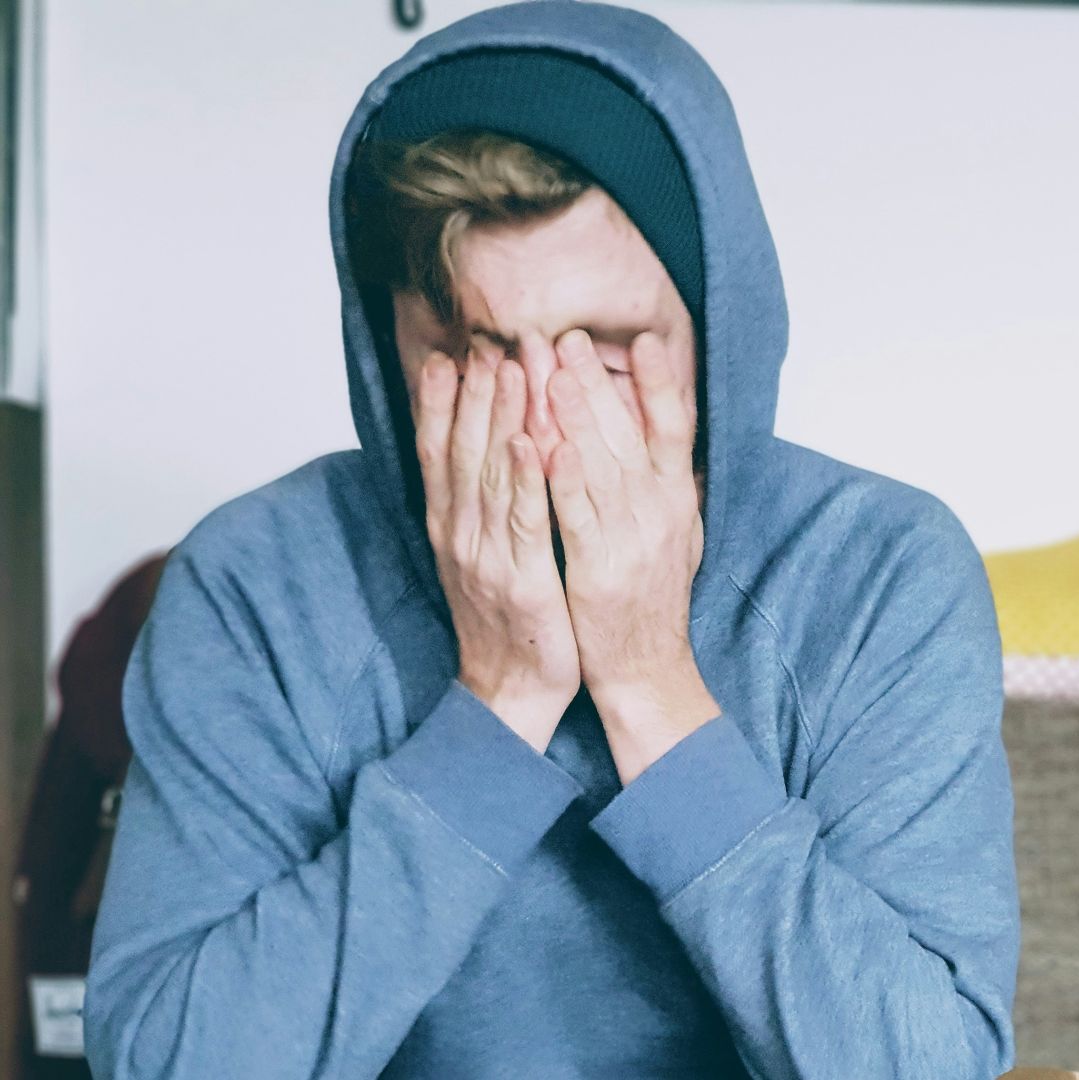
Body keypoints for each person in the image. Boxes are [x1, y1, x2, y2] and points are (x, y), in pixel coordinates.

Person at [80, 3, 1021, 1078]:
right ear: (389, 353)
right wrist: (498, 706)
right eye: (475, 353)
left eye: (609, 354)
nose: (540, 425)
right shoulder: (254, 585)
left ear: (718, 333)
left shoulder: (883, 574)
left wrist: (653, 690)